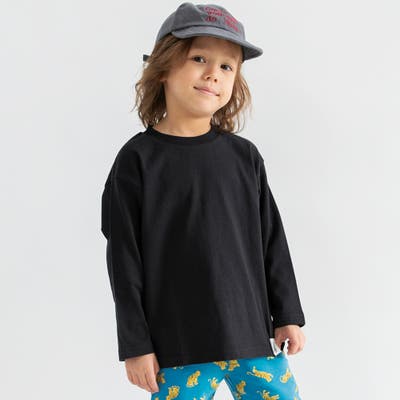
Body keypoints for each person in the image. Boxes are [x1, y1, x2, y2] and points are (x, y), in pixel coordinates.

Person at [101, 2, 306, 399]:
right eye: (199, 58)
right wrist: (136, 344)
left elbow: (272, 241)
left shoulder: (244, 157)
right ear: (163, 68)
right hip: (178, 346)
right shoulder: (137, 161)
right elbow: (123, 260)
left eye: (227, 66)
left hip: (251, 336)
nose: (214, 73)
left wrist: (288, 314)